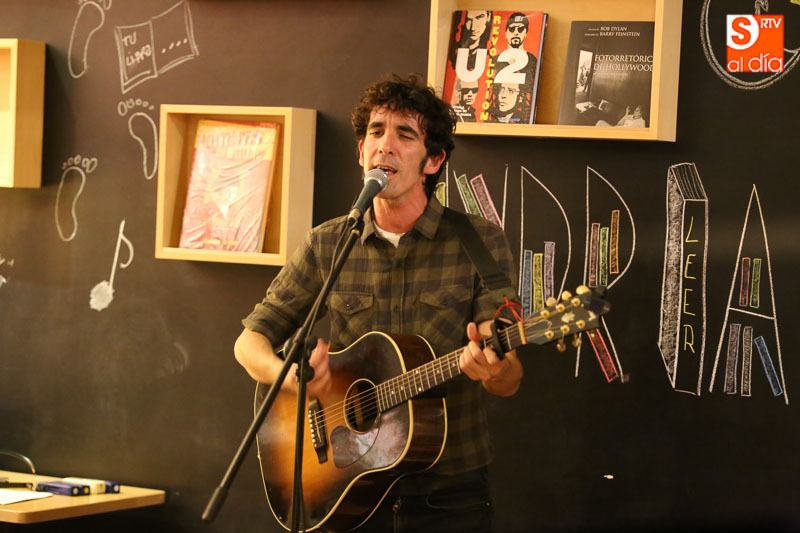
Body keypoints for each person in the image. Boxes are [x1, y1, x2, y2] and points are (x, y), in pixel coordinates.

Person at [234, 73, 522, 532]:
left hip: (448, 496)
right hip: (347, 487)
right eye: (376, 131)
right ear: (360, 151)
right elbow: (249, 342)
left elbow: (506, 376)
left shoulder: (479, 242)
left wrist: (494, 368)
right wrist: (286, 377)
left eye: (405, 135)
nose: (385, 145)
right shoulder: (328, 243)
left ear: (433, 160)